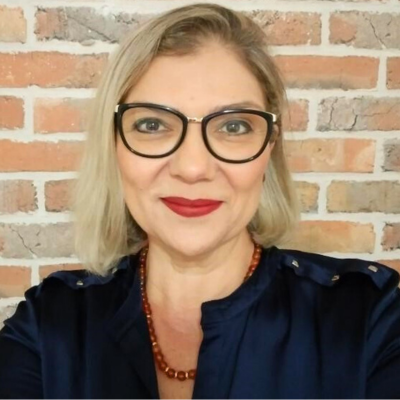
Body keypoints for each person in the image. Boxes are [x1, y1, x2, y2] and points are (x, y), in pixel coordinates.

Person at [0, 3, 399, 399]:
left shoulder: (370, 318)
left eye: (234, 126)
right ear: (114, 144)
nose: (193, 168)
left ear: (270, 147)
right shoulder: (50, 325)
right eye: (152, 124)